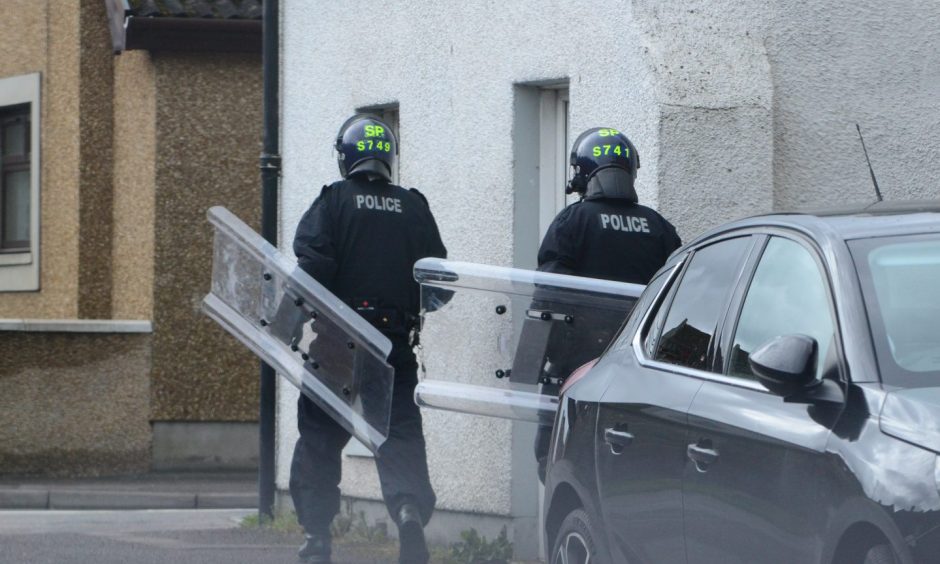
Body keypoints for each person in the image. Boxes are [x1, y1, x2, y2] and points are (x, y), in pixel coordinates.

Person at [290, 114, 446, 564]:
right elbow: (439, 284)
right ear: (388, 158)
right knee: (398, 436)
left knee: (319, 437)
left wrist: (287, 322)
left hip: (336, 344)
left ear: (346, 159)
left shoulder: (333, 201)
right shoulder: (413, 206)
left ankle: (317, 539)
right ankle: (408, 512)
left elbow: (312, 268)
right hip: (393, 346)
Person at [532, 127, 681, 481]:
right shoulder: (658, 228)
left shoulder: (571, 221)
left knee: (557, 465)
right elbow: (678, 299)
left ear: (583, 173)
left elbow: (549, 296)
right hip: (638, 370)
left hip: (575, 369)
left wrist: (541, 358)